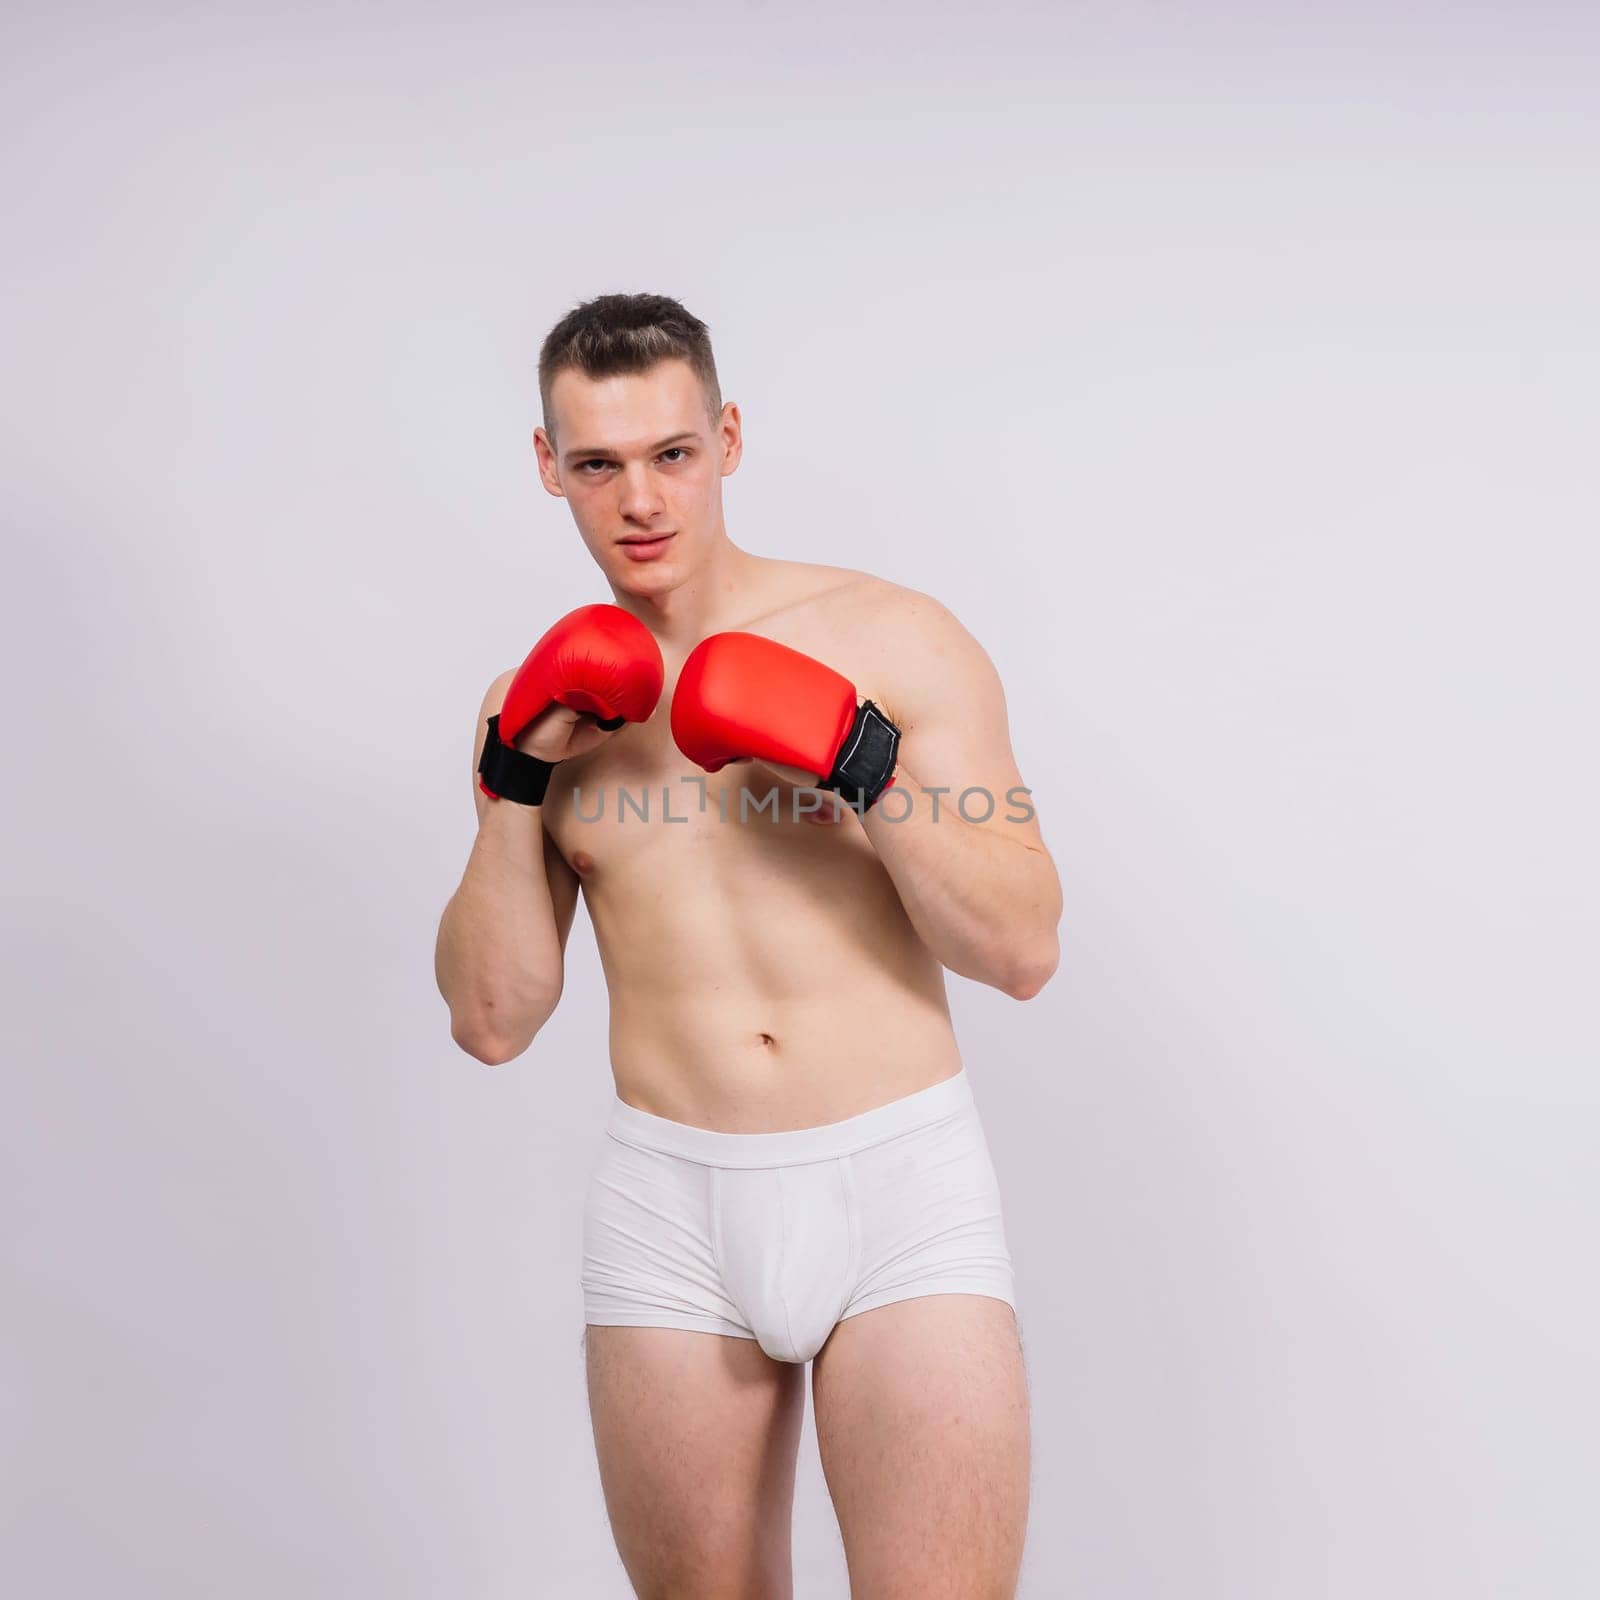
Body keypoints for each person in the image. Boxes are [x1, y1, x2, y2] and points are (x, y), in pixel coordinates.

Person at [434, 292, 1062, 1598]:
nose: (641, 500)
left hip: (895, 1185)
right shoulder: (530, 703)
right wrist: (512, 779)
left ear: (725, 438)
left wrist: (863, 761)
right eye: (598, 464)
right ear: (549, 467)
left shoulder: (892, 639)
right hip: (672, 1205)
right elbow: (494, 1019)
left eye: (670, 454)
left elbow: (1021, 947)